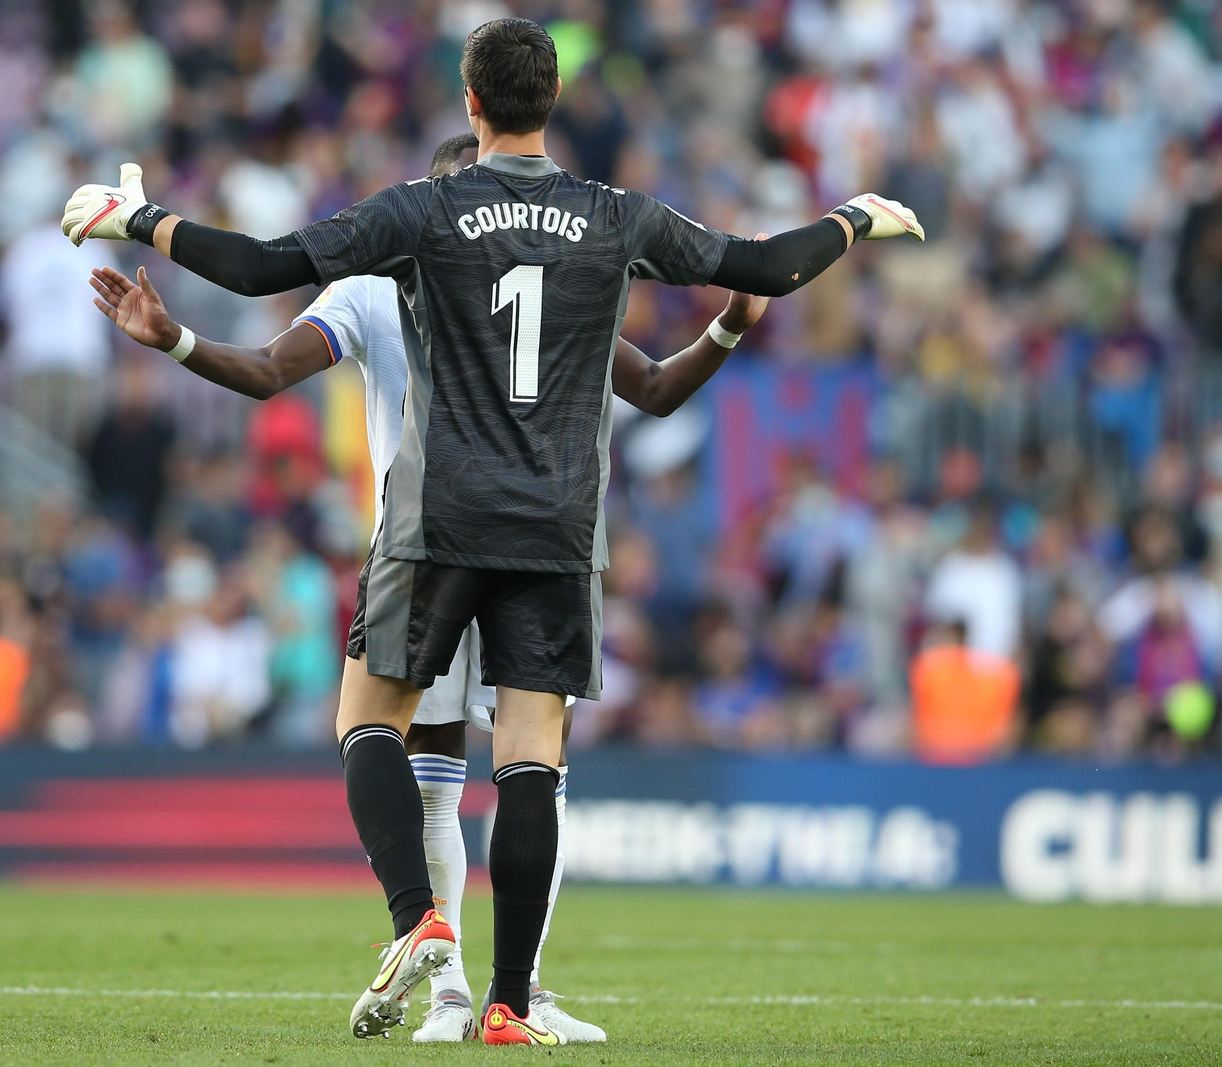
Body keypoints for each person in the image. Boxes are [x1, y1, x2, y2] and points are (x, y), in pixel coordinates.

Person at [63, 17, 923, 1045]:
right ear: (551, 102)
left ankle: (416, 917)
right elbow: (767, 265)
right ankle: (508, 1000)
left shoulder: (425, 214)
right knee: (529, 759)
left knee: (365, 722)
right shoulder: (613, 218)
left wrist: (140, 217)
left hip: (441, 512)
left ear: (469, 104)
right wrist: (853, 219)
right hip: (557, 520)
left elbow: (257, 264)